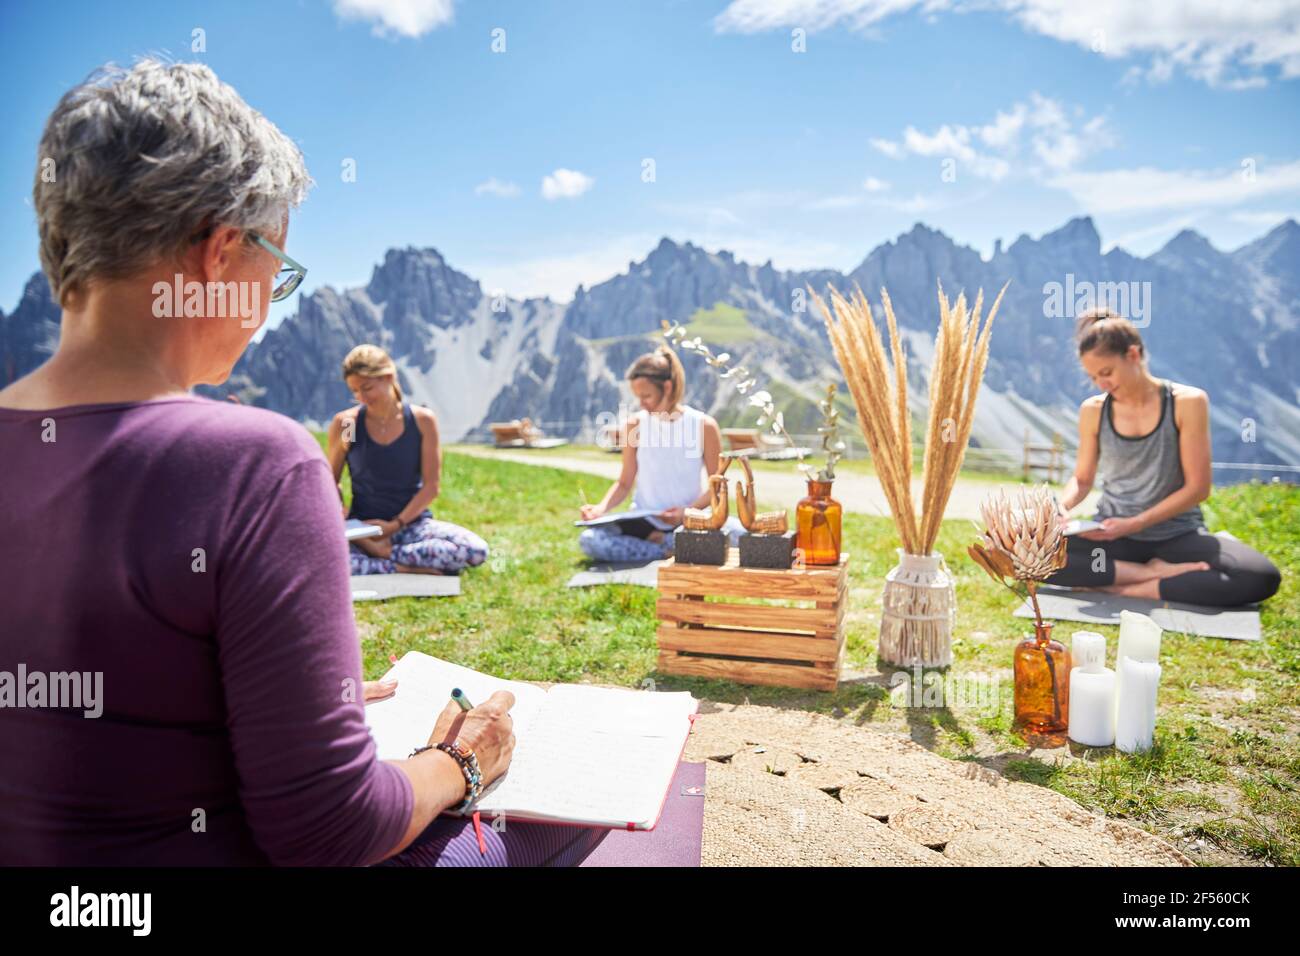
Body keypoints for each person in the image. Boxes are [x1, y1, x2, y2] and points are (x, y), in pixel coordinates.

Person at [0, 59, 602, 866]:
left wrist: (304, 701)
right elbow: (328, 830)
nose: (269, 305)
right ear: (220, 252)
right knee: (564, 809)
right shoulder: (254, 464)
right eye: (276, 268)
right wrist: (461, 762)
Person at [1048, 308, 1280, 607]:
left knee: (1260, 576)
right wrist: (1062, 508)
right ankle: (1149, 575)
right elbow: (1082, 479)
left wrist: (1134, 523)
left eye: (1106, 373)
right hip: (1110, 539)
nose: (1100, 384)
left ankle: (1124, 586)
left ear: (1133, 354)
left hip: (1177, 538)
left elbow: (1198, 489)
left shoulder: (1187, 402)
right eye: (1093, 377)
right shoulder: (1093, 410)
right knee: (1024, 556)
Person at [326, 344, 489, 576]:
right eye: (354, 391)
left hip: (412, 525)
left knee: (475, 550)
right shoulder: (348, 424)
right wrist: (341, 513)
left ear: (389, 377)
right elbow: (331, 480)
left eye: (367, 388)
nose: (361, 397)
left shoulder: (422, 421)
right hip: (363, 530)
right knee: (327, 562)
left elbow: (431, 487)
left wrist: (394, 526)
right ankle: (407, 565)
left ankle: (385, 559)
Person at [579, 346, 726, 561]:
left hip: (688, 521)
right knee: (590, 539)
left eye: (646, 396)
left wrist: (685, 513)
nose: (641, 403)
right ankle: (666, 551)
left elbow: (718, 489)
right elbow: (624, 483)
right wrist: (599, 509)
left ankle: (662, 547)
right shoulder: (634, 425)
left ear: (667, 387)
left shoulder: (704, 426)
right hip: (643, 522)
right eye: (638, 397)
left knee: (737, 532)